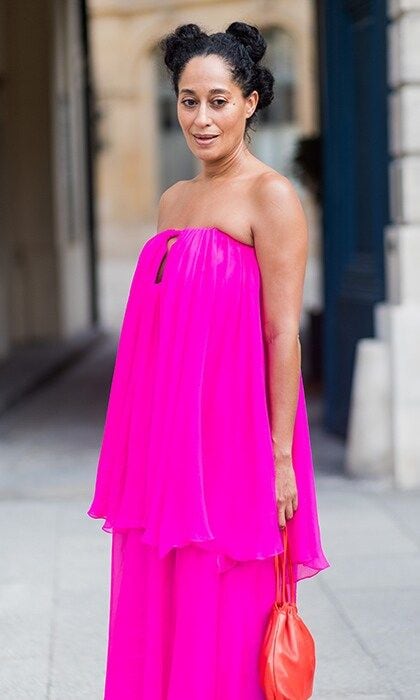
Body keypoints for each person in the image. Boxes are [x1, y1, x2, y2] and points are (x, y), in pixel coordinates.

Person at [87, 21, 330, 700]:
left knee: (226, 610)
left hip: (237, 442)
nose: (201, 117)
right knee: (165, 601)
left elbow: (284, 334)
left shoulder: (271, 197)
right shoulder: (173, 201)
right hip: (169, 443)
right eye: (188, 100)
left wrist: (279, 456)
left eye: (218, 100)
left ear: (251, 101)